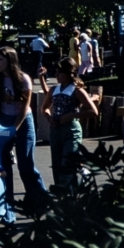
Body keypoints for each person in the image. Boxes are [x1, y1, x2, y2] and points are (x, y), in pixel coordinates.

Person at [0, 47, 47, 205]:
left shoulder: (24, 79)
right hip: (4, 119)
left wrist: (14, 128)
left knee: (25, 164)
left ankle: (39, 198)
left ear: (10, 61)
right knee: (3, 162)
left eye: (0, 60)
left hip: (23, 121)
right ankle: (6, 198)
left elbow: (24, 107)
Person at [37, 57, 99, 188]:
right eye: (56, 72)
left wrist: (72, 115)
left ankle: (71, 194)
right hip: (55, 130)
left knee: (68, 162)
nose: (57, 75)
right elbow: (44, 108)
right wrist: (49, 119)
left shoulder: (77, 90)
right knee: (57, 163)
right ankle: (60, 193)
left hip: (71, 130)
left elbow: (93, 111)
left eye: (60, 72)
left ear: (69, 73)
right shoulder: (54, 89)